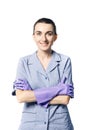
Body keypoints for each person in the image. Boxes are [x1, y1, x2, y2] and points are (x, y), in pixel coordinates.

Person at [12, 18, 74, 130]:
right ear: (33, 36)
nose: (43, 39)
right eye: (39, 33)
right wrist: (57, 90)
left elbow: (64, 99)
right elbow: (21, 97)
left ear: (55, 37)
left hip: (59, 124)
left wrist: (32, 94)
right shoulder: (24, 62)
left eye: (49, 34)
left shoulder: (65, 61)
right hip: (31, 124)